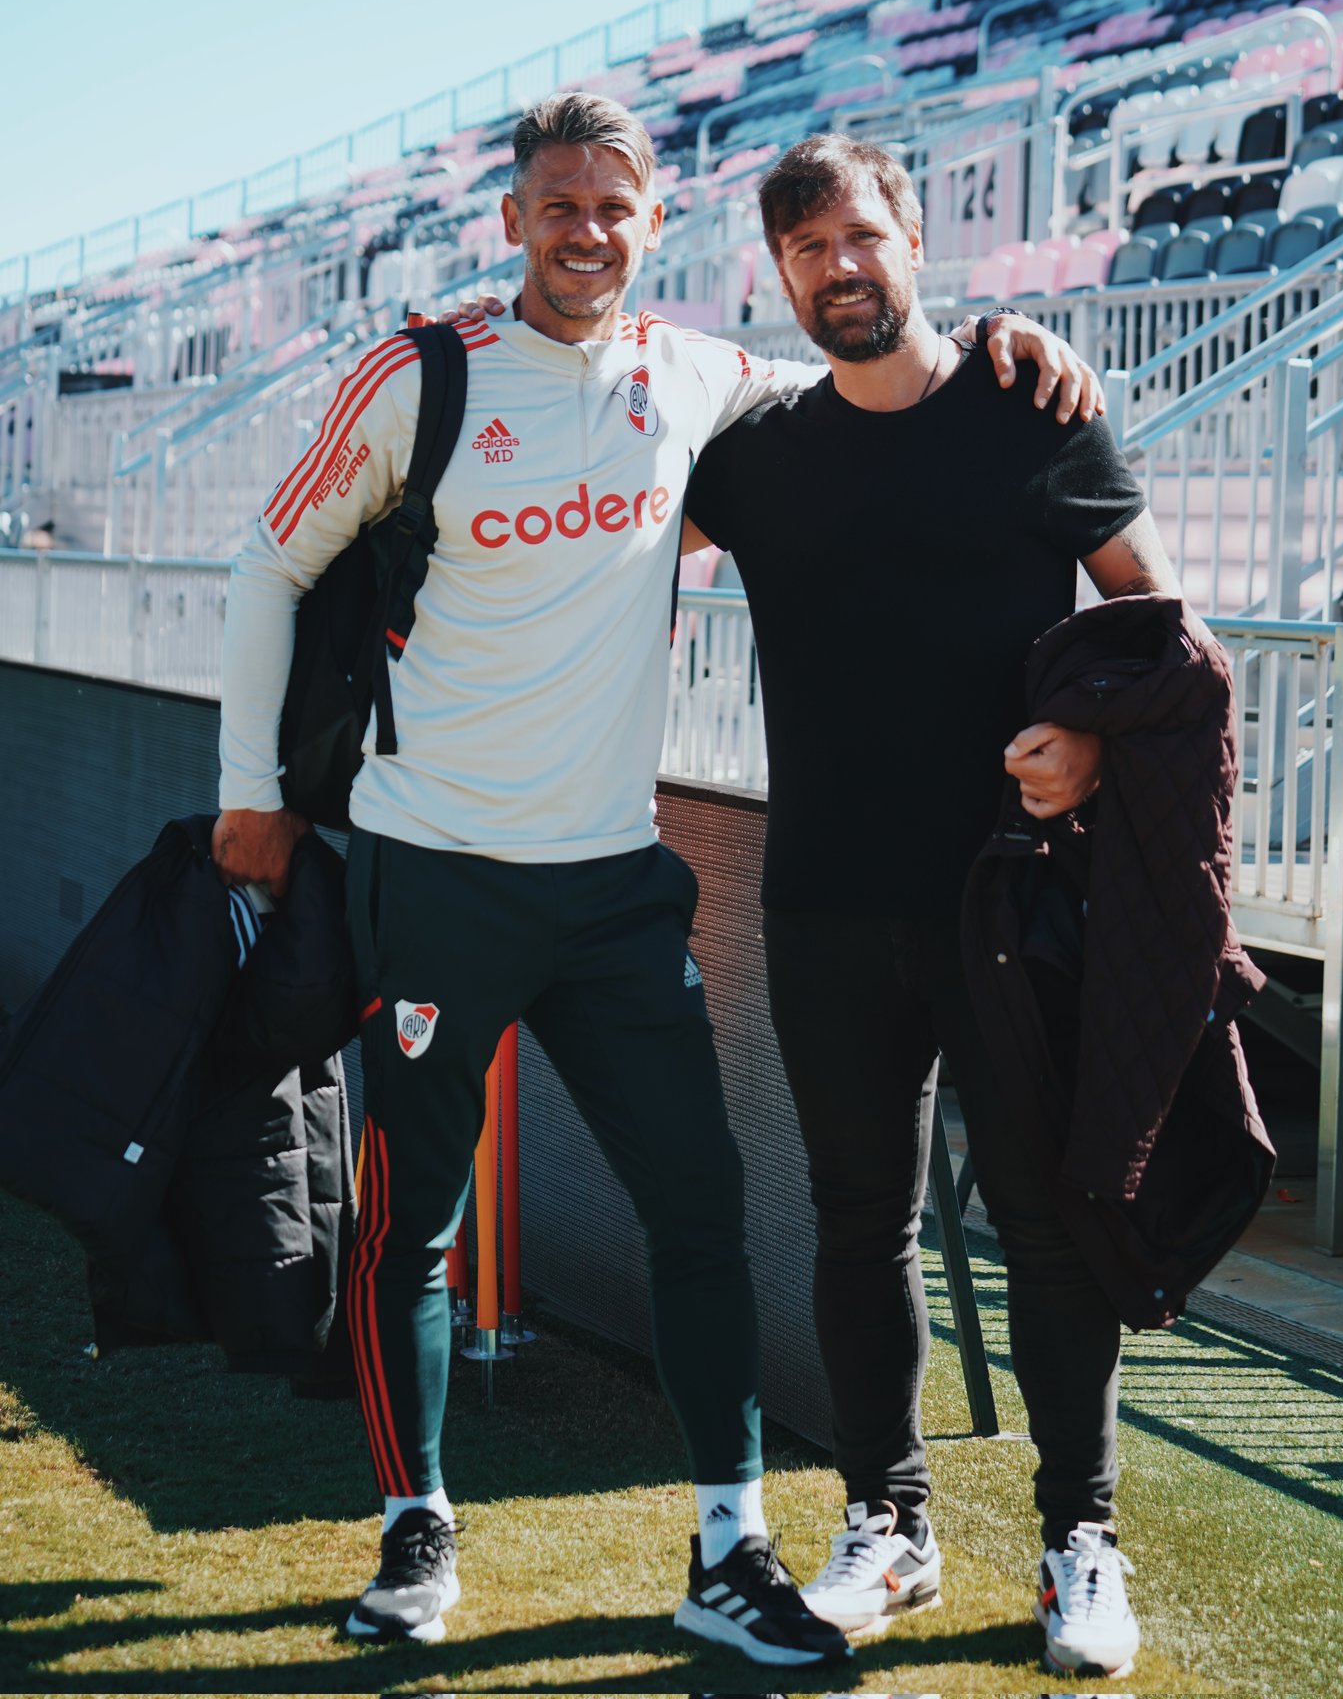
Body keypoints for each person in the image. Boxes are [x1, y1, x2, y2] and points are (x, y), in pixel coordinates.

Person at [212, 93, 1100, 1663]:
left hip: (616, 886)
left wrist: (1009, 338)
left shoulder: (701, 382)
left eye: (615, 209)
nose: (586, 233)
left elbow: (880, 365)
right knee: (409, 1222)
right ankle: (417, 1527)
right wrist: (252, 798)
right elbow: (271, 566)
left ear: (654, 225)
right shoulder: (421, 377)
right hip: (435, 869)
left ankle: (727, 1545)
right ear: (512, 219)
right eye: (558, 204)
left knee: (700, 1212)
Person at [680, 133, 1182, 1682]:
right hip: (827, 901)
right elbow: (604, 533)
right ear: (778, 274)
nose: (841, 265)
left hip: (1011, 907)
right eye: (807, 248)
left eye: (862, 235)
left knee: (1044, 1224)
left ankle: (1075, 1541)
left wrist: (1093, 737)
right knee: (855, 1224)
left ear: (915, 240)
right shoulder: (752, 457)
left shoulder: (1034, 409)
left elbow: (1161, 630)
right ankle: (886, 1523)